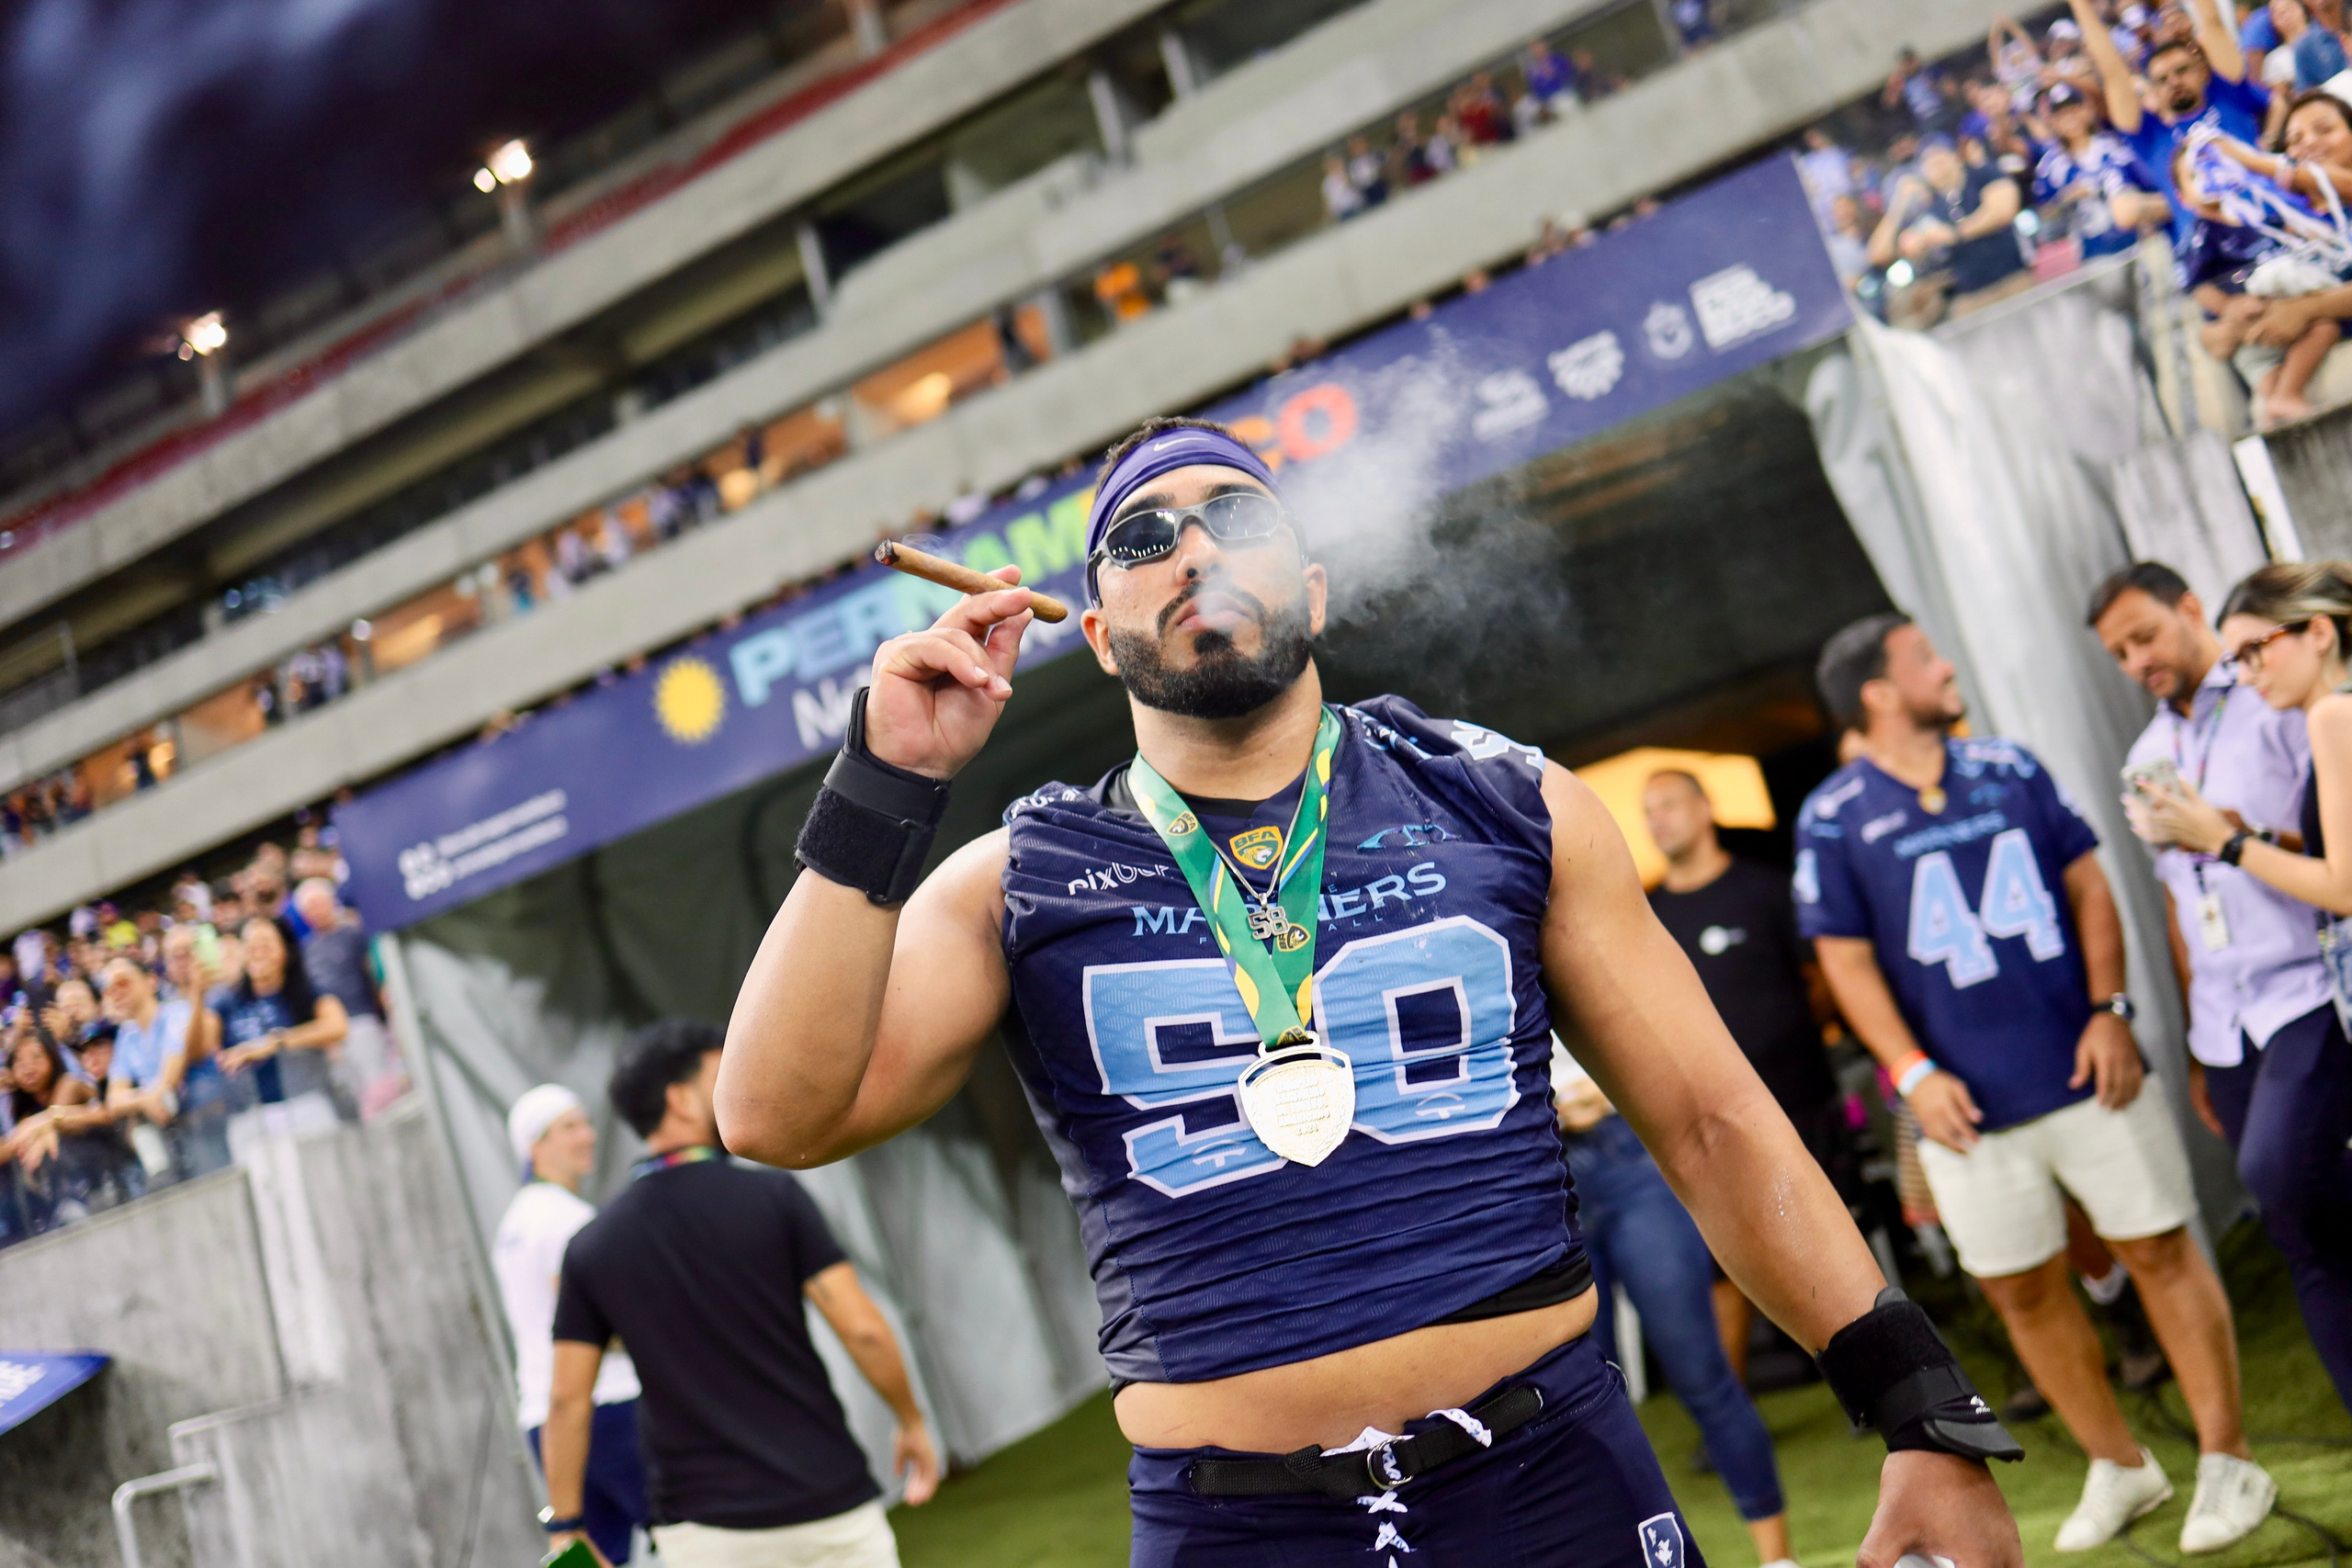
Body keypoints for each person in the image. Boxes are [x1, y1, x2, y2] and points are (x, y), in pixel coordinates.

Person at [716, 415, 2026, 1564]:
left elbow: (1712, 1121)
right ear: (1100, 636)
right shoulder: (1012, 877)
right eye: (1144, 536)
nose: (1195, 550)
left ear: (1317, 590)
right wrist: (887, 781)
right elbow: (774, 1113)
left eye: (1237, 515)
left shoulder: (1506, 799)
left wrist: (1915, 1402)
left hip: (1549, 1473)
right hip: (1235, 1523)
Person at [1799, 613, 2275, 1551]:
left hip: (2082, 1068)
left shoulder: (2009, 768)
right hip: (1961, 1106)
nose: (1946, 666)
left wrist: (2111, 1009)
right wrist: (1912, 1072)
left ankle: (2228, 1459)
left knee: (2158, 1252)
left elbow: (2090, 887)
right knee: (2018, 1289)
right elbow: (1845, 962)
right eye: (1923, 660)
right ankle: (2120, 1464)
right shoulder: (1832, 815)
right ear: (1879, 694)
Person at [545, 1021, 936, 1568]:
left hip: (702, 1532)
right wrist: (912, 1421)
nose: (739, 1087)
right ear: (679, 1100)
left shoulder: (592, 1246)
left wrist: (565, 1527)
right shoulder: (773, 1196)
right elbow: (862, 1329)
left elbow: (565, 1401)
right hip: (827, 1501)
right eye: (720, 1075)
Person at [2136, 561, 2352, 1416]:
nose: (2250, 671)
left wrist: (2221, 842)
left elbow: (2342, 884)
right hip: (2245, 1008)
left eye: (2258, 650)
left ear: (2319, 632)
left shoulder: (2329, 713)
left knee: (2282, 1179)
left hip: (2306, 987)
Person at [1551, 1041, 1797, 1568]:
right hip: (1537, 1166)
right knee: (1572, 1402)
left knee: (1703, 1373)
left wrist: (1603, 1092)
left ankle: (1779, 1561)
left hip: (1627, 1144)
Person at [1641, 770, 1849, 1386]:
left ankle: (1865, 1378)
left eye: (1670, 805)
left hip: (1799, 1099)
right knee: (1720, 1262)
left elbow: (1822, 984)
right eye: (1649, 811)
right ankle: (1732, 1412)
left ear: (1706, 810)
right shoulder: (1647, 915)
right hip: (1702, 1119)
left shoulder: (1765, 890)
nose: (1658, 820)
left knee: (1826, 1242)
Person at [493, 1084, 649, 1566]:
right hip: (608, 1409)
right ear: (535, 1146)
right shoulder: (567, 1220)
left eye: (585, 1123)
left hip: (547, 1423)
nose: (587, 1136)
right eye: (569, 1127)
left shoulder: (514, 1224)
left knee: (592, 1556)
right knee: (696, 1536)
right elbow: (598, 1322)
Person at [2071, 0, 2270, 239]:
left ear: (2202, 71)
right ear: (2153, 90)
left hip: (2268, 228)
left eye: (2182, 70)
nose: (2174, 81)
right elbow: (2112, 71)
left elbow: (2211, 20)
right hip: (2209, 258)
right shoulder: (2150, 137)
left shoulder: (2230, 97)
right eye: (2163, 79)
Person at [214, 916, 348, 1154]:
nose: (257, 952)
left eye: (265, 944)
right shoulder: (230, 1001)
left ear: (285, 949)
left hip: (306, 1103)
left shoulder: (305, 992)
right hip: (255, 1116)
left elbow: (337, 1026)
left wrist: (276, 1041)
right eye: (250, 946)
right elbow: (200, 1046)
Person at [1869, 138, 2031, 327]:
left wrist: (1955, 233)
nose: (1936, 166)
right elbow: (1879, 254)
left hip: (2012, 278)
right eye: (1929, 163)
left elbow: (2003, 210)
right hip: (1970, 295)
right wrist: (1898, 206)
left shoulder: (1981, 175)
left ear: (1955, 157)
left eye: (1940, 158)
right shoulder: (1931, 207)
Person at [2030, 82, 2169, 260]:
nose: (2070, 119)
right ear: (2053, 122)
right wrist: (2065, 199)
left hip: (2140, 241)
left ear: (2087, 110)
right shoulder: (2050, 165)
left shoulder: (2116, 146)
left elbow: (2149, 186)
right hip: (2093, 252)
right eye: (2061, 115)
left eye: (2074, 110)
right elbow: (2043, 214)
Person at [293, 879, 398, 1113]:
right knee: (354, 1095)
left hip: (362, 1021)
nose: (316, 911)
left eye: (319, 903)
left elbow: (374, 974)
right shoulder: (307, 951)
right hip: (331, 1035)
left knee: (381, 1088)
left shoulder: (352, 933)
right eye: (309, 907)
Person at [100, 955, 190, 1184]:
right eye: (110, 989)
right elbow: (113, 1099)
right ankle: (160, 1176)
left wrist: (148, 1098)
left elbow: (171, 1076)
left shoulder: (177, 1012)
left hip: (194, 1115)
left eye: (123, 983)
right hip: (157, 1116)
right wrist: (143, 1100)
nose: (116, 993)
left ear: (150, 981)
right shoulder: (126, 1034)